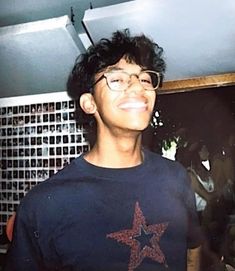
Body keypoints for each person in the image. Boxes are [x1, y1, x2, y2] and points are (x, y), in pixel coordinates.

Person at [4, 29, 202, 271]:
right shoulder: (44, 206)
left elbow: (193, 249)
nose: (138, 87)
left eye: (146, 79)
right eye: (117, 79)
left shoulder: (177, 178)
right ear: (90, 103)